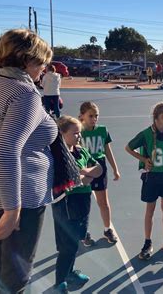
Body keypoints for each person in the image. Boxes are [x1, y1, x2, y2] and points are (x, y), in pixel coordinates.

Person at [0, 29, 57, 293]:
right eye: (42, 62)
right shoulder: (25, 94)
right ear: (26, 59)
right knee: (14, 280)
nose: (44, 69)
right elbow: (6, 149)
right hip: (21, 200)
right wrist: (12, 210)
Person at [125, 102, 163, 260]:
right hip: (151, 177)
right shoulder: (146, 134)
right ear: (162, 117)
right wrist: (143, 159)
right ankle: (147, 242)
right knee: (150, 209)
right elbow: (129, 148)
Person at [52, 116, 103, 293]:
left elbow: (99, 170)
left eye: (79, 133)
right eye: (75, 134)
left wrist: (83, 173)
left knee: (76, 240)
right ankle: (59, 283)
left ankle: (70, 273)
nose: (78, 137)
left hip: (82, 202)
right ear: (62, 134)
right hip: (66, 204)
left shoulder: (81, 151)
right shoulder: (58, 157)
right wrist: (84, 178)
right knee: (68, 246)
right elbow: (70, 182)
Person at [79, 101, 121, 246]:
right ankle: (83, 232)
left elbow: (107, 150)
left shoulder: (102, 130)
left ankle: (107, 229)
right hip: (84, 168)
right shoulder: (78, 132)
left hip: (100, 167)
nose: (94, 119)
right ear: (82, 116)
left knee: (104, 202)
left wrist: (115, 168)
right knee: (83, 203)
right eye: (90, 116)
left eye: (96, 116)